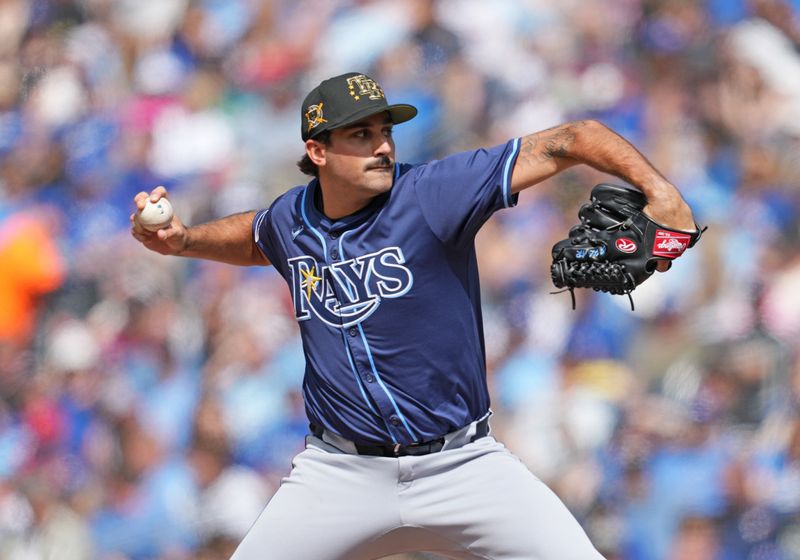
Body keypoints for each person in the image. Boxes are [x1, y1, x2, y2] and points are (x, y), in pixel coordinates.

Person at [131, 72, 697, 559]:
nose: (382, 146)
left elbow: (575, 138)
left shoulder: (431, 193)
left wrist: (658, 189)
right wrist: (182, 241)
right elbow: (256, 236)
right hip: (339, 476)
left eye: (384, 132)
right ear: (319, 151)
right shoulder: (291, 220)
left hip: (465, 466)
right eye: (361, 134)